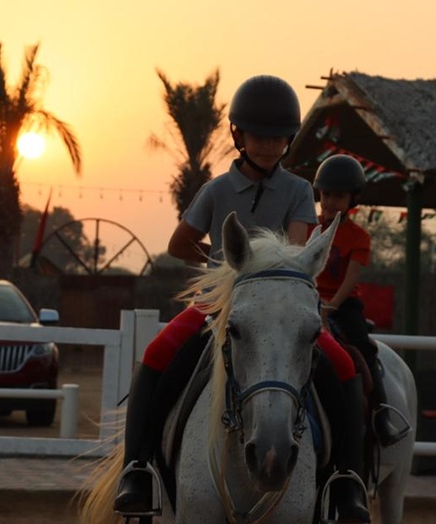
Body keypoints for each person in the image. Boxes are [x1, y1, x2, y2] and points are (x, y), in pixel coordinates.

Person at [114, 75, 371, 523]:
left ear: (289, 140)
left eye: (277, 137)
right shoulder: (216, 190)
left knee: (345, 367)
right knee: (155, 356)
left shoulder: (297, 191)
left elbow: (292, 251)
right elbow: (179, 243)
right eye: (259, 135)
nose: (269, 145)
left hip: (280, 304)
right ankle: (138, 468)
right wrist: (219, 269)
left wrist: (263, 270)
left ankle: (346, 479)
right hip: (220, 304)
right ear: (239, 135)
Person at [311, 154, 411, 447]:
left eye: (338, 196)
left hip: (342, 305)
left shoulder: (358, 237)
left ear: (352, 199)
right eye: (326, 194)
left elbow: (351, 279)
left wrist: (329, 308)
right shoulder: (306, 227)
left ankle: (382, 415)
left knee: (364, 348)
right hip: (307, 298)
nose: (329, 202)